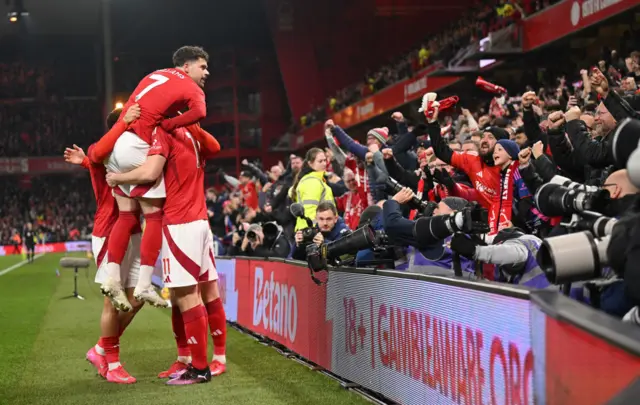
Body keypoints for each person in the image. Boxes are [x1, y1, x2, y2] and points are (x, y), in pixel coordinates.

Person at [106, 121, 225, 385]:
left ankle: (199, 368)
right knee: (204, 291)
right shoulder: (192, 132)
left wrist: (118, 178)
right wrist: (192, 123)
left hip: (180, 222)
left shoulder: (164, 131)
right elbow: (215, 146)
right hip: (200, 219)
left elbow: (150, 172)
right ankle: (209, 359)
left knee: (185, 296)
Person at [100, 46, 209, 312]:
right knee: (155, 215)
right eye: (202, 67)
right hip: (139, 144)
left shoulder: (156, 74)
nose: (206, 72)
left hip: (119, 142)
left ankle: (112, 276)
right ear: (186, 66)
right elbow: (200, 114)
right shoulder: (192, 88)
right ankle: (145, 283)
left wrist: (114, 176)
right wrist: (171, 125)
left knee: (127, 215)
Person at [63, 105, 145, 384]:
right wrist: (88, 160)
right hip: (109, 232)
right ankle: (112, 363)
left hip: (134, 232)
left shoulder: (132, 152)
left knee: (139, 298)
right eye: (130, 122)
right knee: (114, 301)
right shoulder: (103, 149)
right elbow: (97, 156)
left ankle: (101, 348)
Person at [290, 148, 335, 231]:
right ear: (310, 164)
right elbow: (310, 211)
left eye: (325, 160)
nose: (324, 164)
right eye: (320, 161)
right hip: (314, 231)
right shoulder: (312, 181)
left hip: (313, 230)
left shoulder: (315, 179)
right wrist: (315, 230)